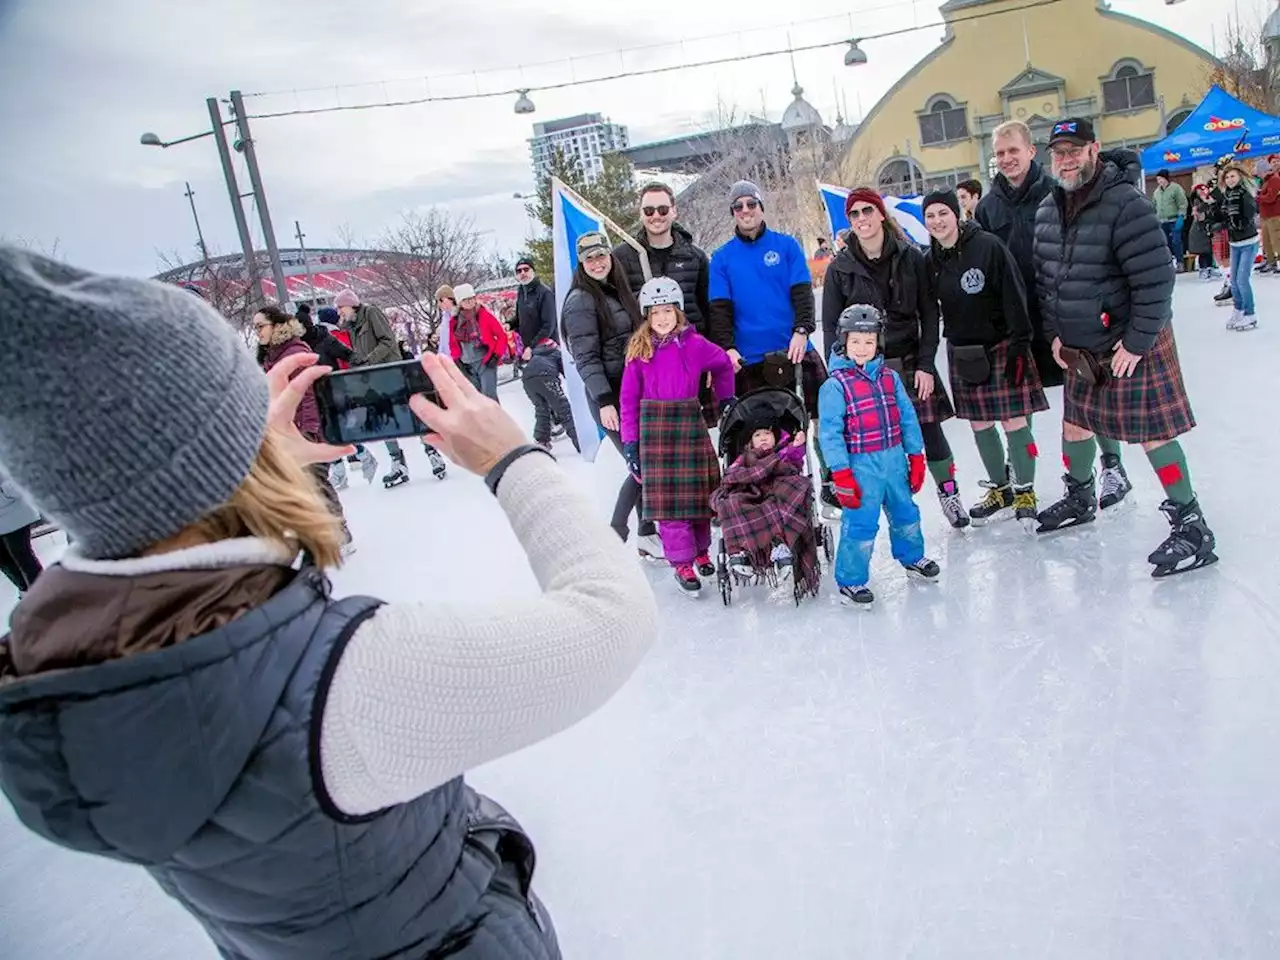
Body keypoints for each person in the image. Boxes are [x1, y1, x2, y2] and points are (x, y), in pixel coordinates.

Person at [0, 245, 658, 960]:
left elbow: (199, 583)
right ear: (228, 453)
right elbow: (611, 620)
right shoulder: (347, 685)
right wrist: (512, 459)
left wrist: (247, 471)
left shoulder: (70, 686)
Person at [1032, 118, 1217, 576]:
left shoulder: (1125, 204)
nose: (1067, 158)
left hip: (1132, 343)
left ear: (1095, 149)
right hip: (1080, 346)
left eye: (1075, 149)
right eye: (1059, 151)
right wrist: (1056, 334)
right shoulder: (1047, 210)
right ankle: (1080, 495)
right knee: (1075, 424)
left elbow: (1157, 279)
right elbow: (1047, 283)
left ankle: (1191, 522)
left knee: (1154, 435)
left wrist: (1136, 343)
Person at [977, 119, 1131, 506]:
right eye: (1000, 153)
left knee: (1085, 396)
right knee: (1016, 404)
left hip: (1064, 317)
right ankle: (1020, 481)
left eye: (1014, 150)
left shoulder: (1058, 191)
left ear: (1031, 151)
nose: (1007, 159)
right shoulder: (987, 208)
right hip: (1017, 323)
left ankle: (1112, 466)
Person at [822, 186, 969, 529]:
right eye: (854, 214)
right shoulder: (839, 268)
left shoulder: (912, 257)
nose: (862, 219)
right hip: (862, 371)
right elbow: (831, 328)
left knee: (929, 433)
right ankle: (878, 511)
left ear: (880, 214)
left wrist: (926, 364)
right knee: (871, 444)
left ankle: (949, 493)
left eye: (867, 211)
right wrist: (838, 374)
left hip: (908, 360)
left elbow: (929, 316)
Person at [922, 189, 1048, 526]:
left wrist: (1021, 344)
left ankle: (1025, 490)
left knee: (1014, 420)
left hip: (1003, 344)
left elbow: (1014, 293)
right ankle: (1001, 489)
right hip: (963, 350)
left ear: (957, 214)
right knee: (980, 424)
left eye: (943, 213)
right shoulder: (929, 259)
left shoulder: (988, 246)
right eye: (930, 216)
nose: (937, 221)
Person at [706, 180, 831, 511]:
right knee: (755, 433)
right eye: (738, 206)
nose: (745, 211)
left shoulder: (786, 246)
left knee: (814, 418)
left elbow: (802, 293)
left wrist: (803, 330)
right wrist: (728, 348)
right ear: (733, 213)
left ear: (761, 207)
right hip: (747, 361)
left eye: (751, 204)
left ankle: (828, 478)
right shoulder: (721, 259)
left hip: (791, 351)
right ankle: (758, 496)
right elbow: (719, 310)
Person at [818, 304, 940, 607]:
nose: (862, 348)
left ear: (878, 343)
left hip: (894, 460)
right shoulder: (835, 386)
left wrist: (916, 457)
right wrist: (841, 473)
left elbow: (907, 418)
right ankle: (851, 579)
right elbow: (829, 434)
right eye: (856, 342)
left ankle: (912, 557)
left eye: (869, 342)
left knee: (906, 514)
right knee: (860, 523)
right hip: (861, 467)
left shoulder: (889, 378)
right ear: (844, 342)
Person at [619, 277, 735, 596]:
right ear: (647, 315)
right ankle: (682, 562)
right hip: (654, 429)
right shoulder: (638, 351)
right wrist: (631, 444)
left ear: (679, 311)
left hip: (688, 422)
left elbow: (724, 365)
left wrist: (726, 399)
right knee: (670, 507)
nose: (662, 318)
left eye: (667, 311)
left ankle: (700, 552)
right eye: (655, 313)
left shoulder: (695, 344)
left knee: (698, 498)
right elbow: (627, 402)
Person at [561, 231, 663, 559]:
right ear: (581, 262)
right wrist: (604, 400)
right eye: (590, 258)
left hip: (634, 392)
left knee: (646, 463)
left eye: (601, 255)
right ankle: (617, 534)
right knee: (642, 465)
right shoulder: (580, 300)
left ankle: (647, 534)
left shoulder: (618, 290)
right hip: (610, 397)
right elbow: (586, 358)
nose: (597, 262)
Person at [253, 305, 353, 553]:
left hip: (306, 428)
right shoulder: (272, 354)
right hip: (288, 429)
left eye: (260, 326)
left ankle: (340, 534)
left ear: (277, 326)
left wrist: (309, 431)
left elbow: (308, 394)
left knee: (314, 479)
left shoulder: (292, 352)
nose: (257, 332)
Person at [710, 419, 821, 596]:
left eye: (767, 434)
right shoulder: (746, 457)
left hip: (777, 488)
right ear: (750, 441)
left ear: (775, 437)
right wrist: (747, 477)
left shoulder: (783, 452)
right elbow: (732, 474)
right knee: (731, 502)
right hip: (752, 491)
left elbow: (792, 460)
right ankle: (739, 551)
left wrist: (797, 445)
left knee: (793, 488)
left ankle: (780, 545)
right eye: (757, 435)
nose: (763, 438)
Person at [335, 287, 416, 487]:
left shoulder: (371, 312)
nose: (339, 313)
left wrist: (369, 361)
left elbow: (388, 341)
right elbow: (356, 352)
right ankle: (397, 461)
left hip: (389, 371)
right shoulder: (352, 325)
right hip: (372, 377)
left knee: (411, 412)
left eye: (341, 308)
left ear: (351, 304)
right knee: (382, 419)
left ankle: (432, 451)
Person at [612, 182, 711, 333]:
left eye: (663, 210)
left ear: (674, 211)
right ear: (641, 213)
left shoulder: (695, 257)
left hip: (691, 347)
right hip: (645, 350)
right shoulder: (622, 257)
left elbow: (709, 308)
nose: (656, 216)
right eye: (649, 211)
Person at [448, 283, 508, 402]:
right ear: (460, 302)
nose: (470, 302)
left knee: (488, 395)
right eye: (465, 300)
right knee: (477, 398)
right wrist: (457, 360)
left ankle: (496, 420)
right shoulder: (454, 321)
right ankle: (486, 420)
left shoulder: (484, 315)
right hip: (467, 364)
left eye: (471, 298)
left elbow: (502, 336)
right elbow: (453, 343)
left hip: (485, 361)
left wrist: (496, 355)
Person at [1219, 163, 1260, 331]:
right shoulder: (1227, 196)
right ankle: (1238, 310)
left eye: (1233, 176)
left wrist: (1236, 224)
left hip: (1249, 242)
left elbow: (1249, 215)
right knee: (1234, 281)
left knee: (1242, 280)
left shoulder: (1245, 194)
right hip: (1235, 243)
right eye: (1227, 177)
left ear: (1240, 177)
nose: (1230, 180)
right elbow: (1222, 215)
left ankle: (1250, 314)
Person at [0, 476, 42, 594]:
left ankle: (41, 594)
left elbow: (15, 480)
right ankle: (27, 591)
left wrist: (3, 493)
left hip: (13, 512)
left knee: (21, 555)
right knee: (2, 558)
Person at [1152, 169, 1188, 268]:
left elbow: (1182, 203)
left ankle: (1180, 262)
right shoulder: (1156, 192)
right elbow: (1154, 206)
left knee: (1176, 241)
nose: (1159, 181)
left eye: (1160, 179)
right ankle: (1168, 263)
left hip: (1174, 220)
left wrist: (1181, 216)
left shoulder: (1176, 188)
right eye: (1157, 179)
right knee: (1165, 243)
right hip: (1162, 221)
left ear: (1165, 178)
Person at [1187, 182, 1221, 280]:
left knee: (1209, 250)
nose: (1202, 192)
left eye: (1203, 190)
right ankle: (1203, 269)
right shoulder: (1196, 201)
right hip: (1199, 229)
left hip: (1207, 228)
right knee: (1202, 251)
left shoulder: (1209, 200)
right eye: (1200, 190)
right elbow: (1200, 216)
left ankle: (1210, 268)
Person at [1255, 154, 1280, 273]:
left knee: (1277, 239)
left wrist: (1259, 197)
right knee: (1267, 240)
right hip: (1266, 215)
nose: (1258, 174)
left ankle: (1278, 261)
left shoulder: (1274, 179)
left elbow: (1271, 197)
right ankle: (1271, 261)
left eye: (1259, 172)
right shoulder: (1266, 180)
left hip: (1274, 215)